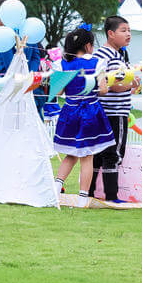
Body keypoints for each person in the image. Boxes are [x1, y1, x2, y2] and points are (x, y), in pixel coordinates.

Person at [52, 27, 115, 202]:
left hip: (70, 110)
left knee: (71, 154)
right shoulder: (98, 63)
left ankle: (56, 187)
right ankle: (82, 197)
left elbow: (57, 92)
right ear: (88, 46)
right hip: (90, 112)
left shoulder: (62, 65)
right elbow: (103, 90)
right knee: (87, 157)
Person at [89, 16, 138, 202]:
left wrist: (130, 82)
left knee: (97, 153)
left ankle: (90, 191)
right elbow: (114, 84)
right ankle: (111, 196)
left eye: (129, 30)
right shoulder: (110, 56)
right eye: (123, 30)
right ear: (110, 34)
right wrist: (132, 83)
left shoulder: (110, 55)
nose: (128, 34)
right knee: (113, 152)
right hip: (115, 112)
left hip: (101, 112)